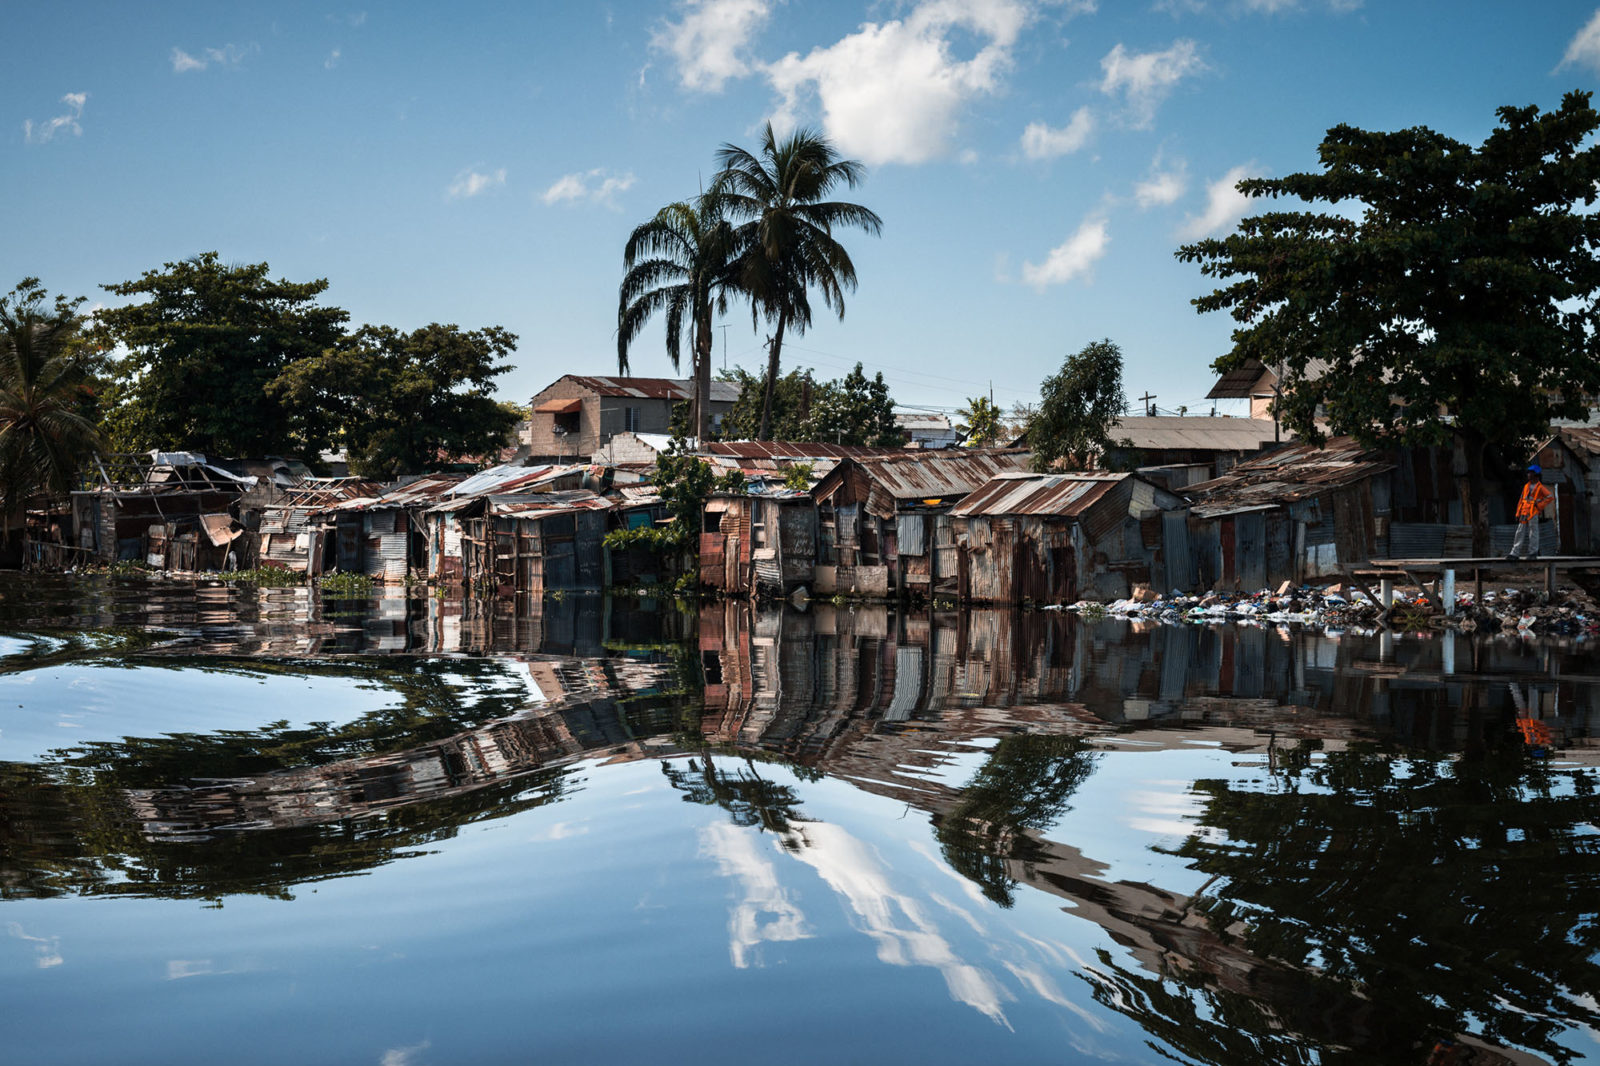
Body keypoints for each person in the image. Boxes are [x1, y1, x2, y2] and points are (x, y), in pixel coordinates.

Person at [1506, 464, 1553, 560]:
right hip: (1524, 512)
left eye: (1530, 473)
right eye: (1528, 473)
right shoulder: (1526, 486)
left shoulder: (1540, 487)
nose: (1528, 474)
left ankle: (1533, 553)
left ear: (1536, 475)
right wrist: (1517, 513)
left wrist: (1539, 506)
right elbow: (1521, 500)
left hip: (1533, 513)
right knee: (1519, 532)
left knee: (1533, 533)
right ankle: (1514, 553)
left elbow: (1550, 497)